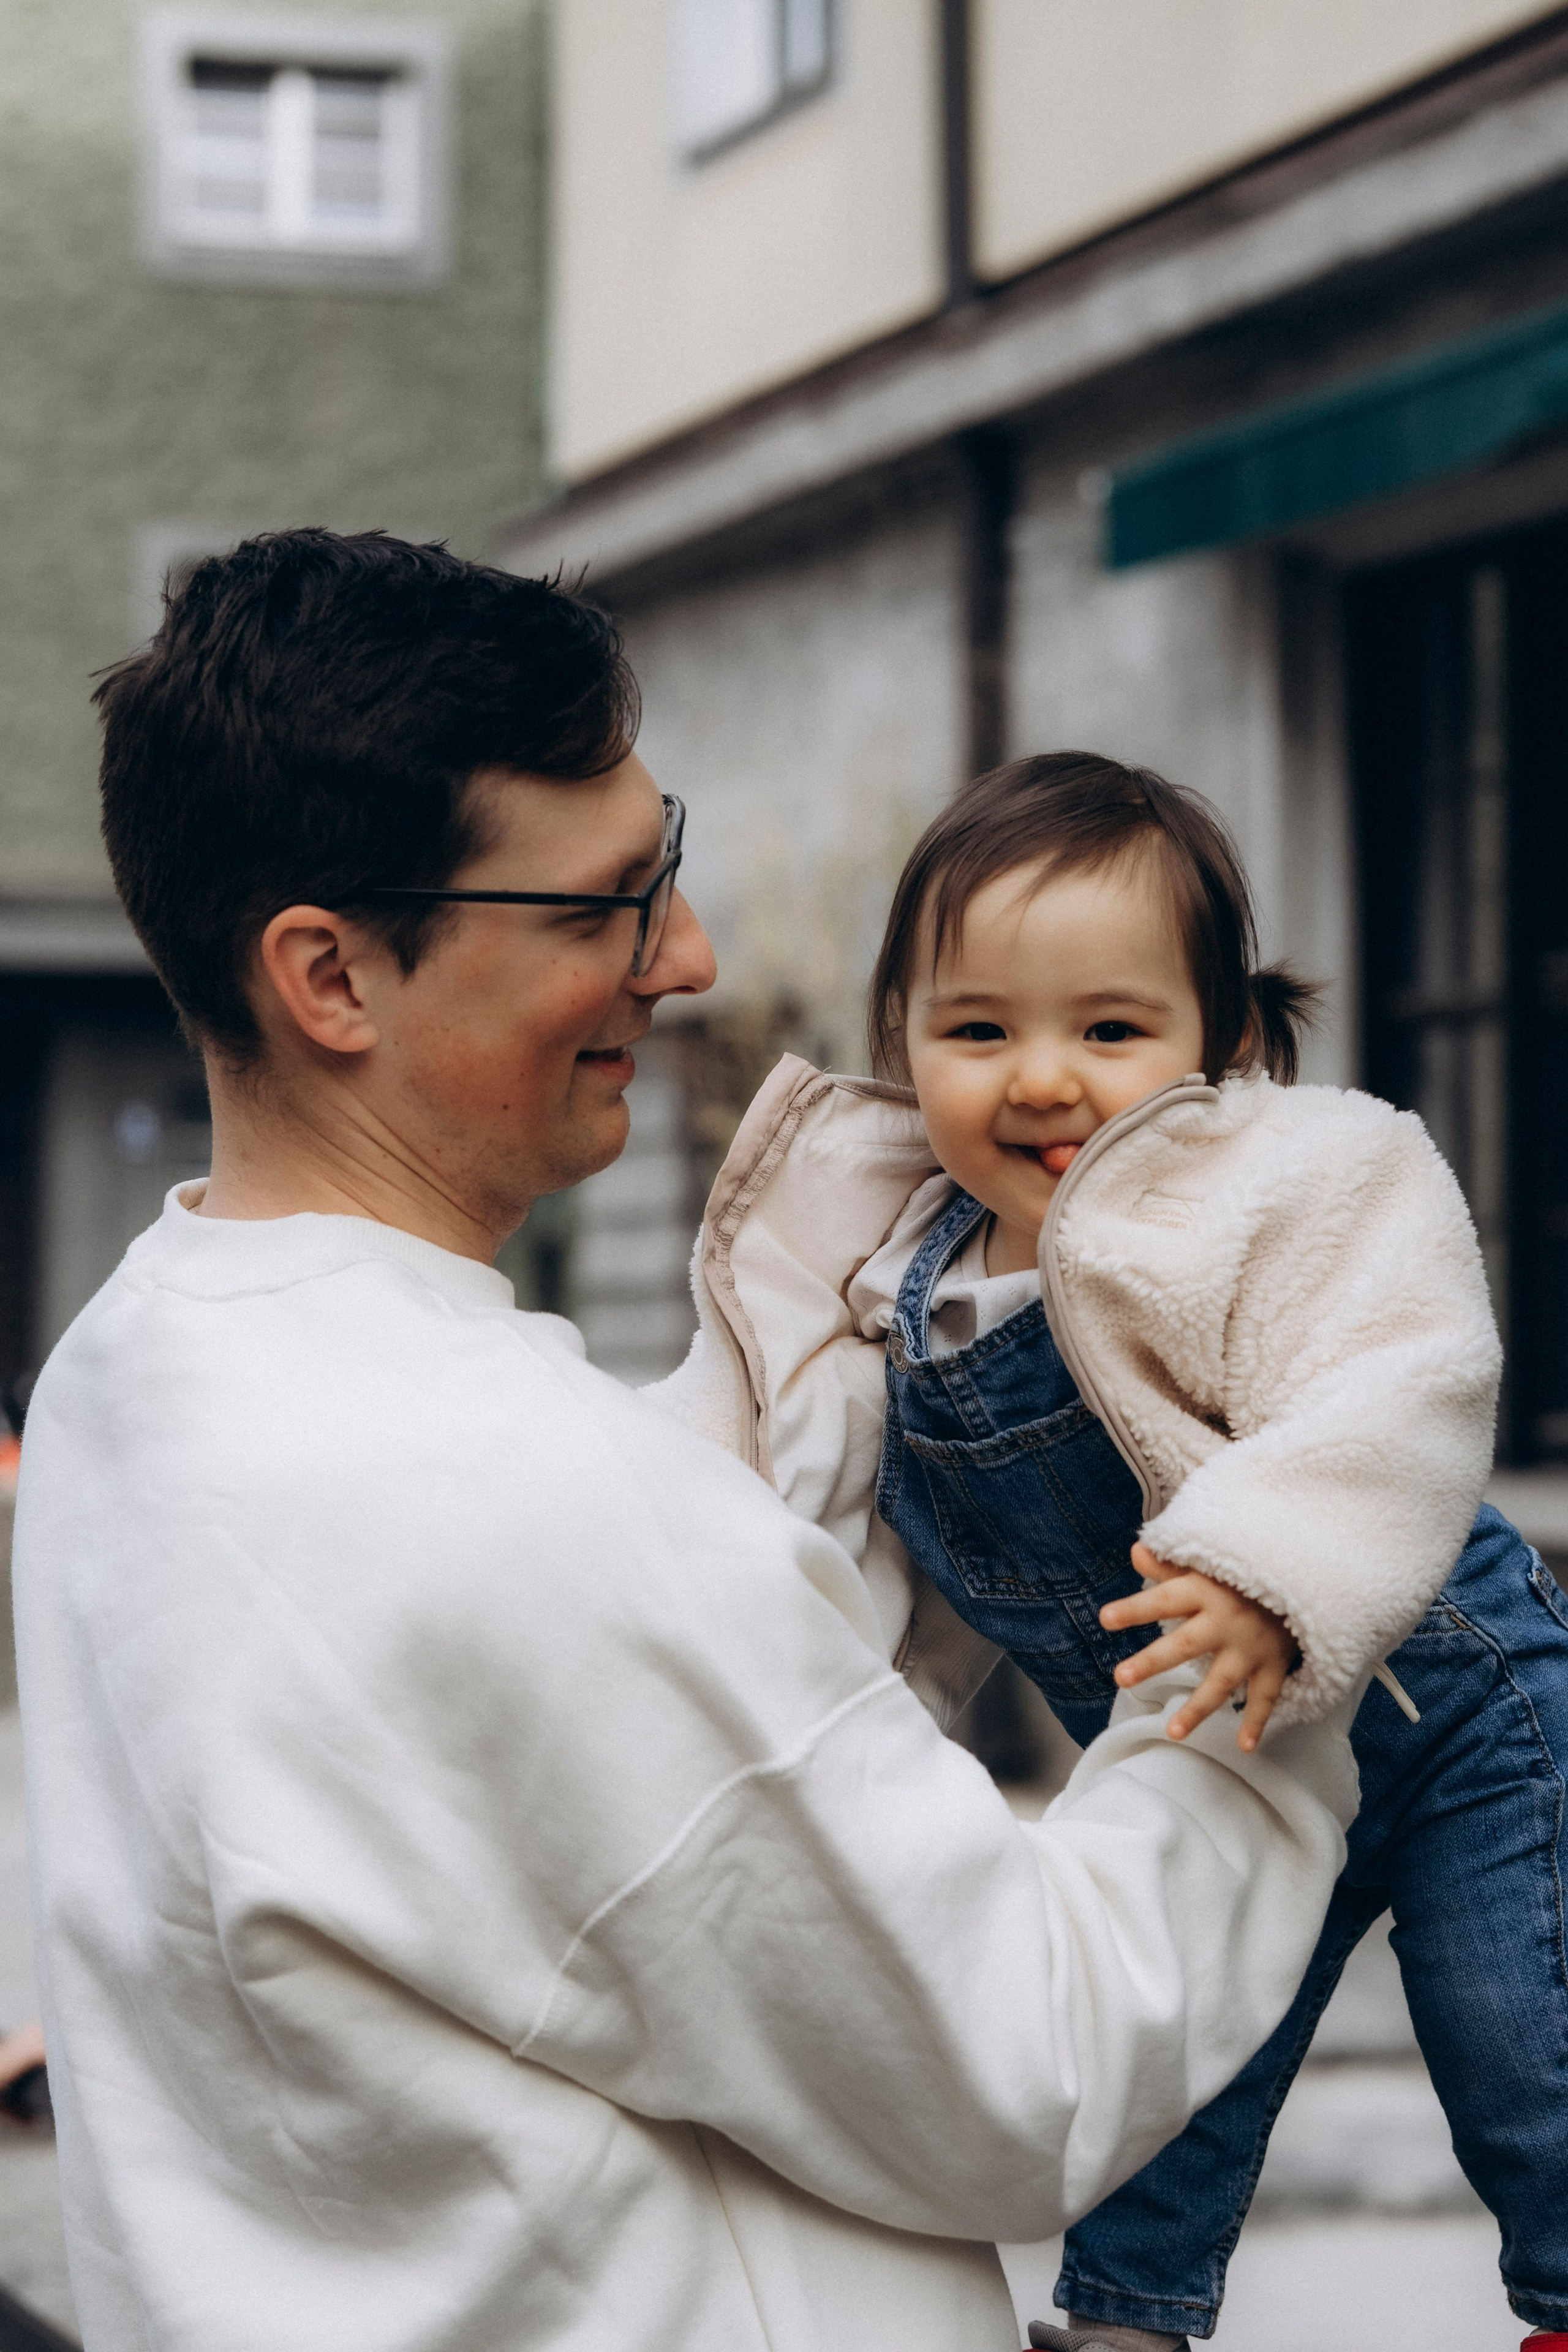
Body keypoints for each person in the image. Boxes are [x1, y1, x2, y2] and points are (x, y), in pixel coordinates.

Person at [12, 536, 1358, 2352]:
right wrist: (1282, 1599)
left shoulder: (129, 1374)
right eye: (609, 906)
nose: (690, 958)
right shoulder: (513, 1494)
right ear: (332, 978)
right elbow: (1037, 2052)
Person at [654, 750, 1568, 2350]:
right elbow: (833, 1538)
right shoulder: (883, 1290)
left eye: (1112, 1029)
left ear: (1218, 1042)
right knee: (1161, 2079)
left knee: (1529, 2050)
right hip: (1208, 1763)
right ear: (902, 1043)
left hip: (1452, 1713)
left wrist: (1262, 1559)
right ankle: (1123, 2330)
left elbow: (1396, 1380)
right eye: (980, 1030)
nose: (1043, 1078)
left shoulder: (1292, 1194)